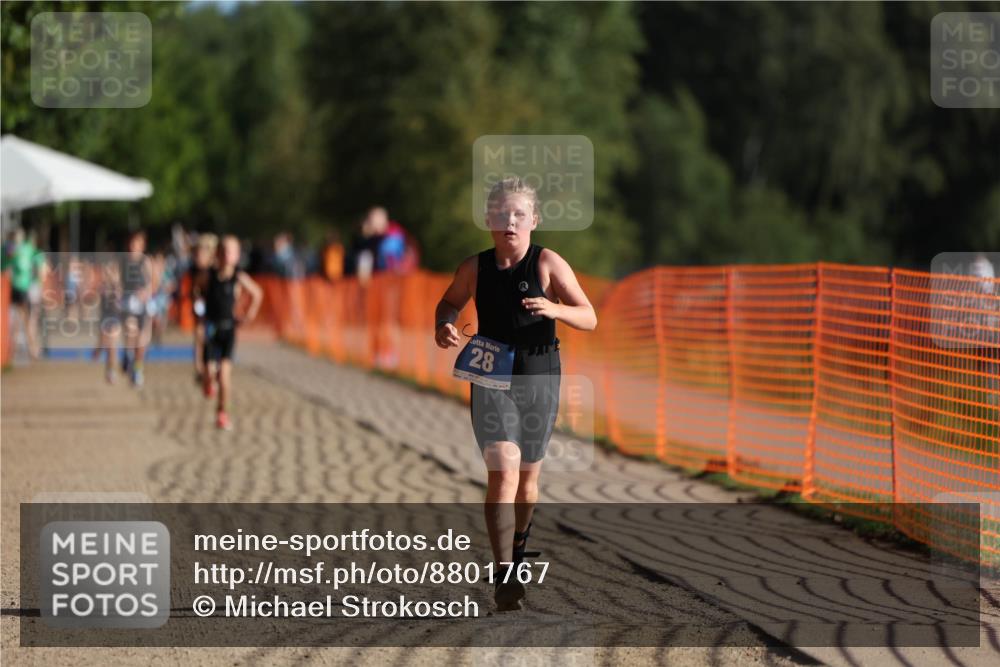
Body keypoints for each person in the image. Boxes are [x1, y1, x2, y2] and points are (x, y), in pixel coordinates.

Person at [433, 177, 597, 611]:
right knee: (503, 470)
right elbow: (448, 302)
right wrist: (444, 324)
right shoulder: (475, 268)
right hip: (492, 374)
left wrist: (555, 308)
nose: (510, 222)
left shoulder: (547, 264)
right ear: (489, 219)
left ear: (533, 220)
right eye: (502, 214)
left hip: (541, 373)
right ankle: (505, 573)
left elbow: (590, 316)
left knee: (528, 478)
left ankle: (519, 545)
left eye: (519, 214)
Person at [202, 235, 263, 431]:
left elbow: (257, 293)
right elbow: (197, 289)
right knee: (210, 372)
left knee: (225, 377)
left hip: (229, 330)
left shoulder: (238, 276)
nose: (228, 255)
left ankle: (222, 413)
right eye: (224, 251)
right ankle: (208, 382)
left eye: (232, 251)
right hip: (211, 329)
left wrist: (249, 313)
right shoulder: (208, 275)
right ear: (218, 254)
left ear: (237, 255)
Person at [2, 228, 47, 360]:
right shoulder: (15, 249)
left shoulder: (16, 248)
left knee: (19, 321)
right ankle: (31, 350)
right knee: (25, 321)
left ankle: (17, 350)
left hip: (18, 289)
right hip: (19, 290)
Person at [119, 230, 153, 387]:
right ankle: (127, 353)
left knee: (142, 339)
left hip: (143, 303)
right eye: (132, 242)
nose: (134, 246)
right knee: (130, 330)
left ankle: (138, 368)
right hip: (128, 302)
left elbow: (154, 282)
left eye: (137, 243)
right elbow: (118, 282)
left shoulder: (146, 262)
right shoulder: (123, 261)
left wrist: (146, 292)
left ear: (143, 245)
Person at [189, 233, 218, 385]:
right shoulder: (196, 270)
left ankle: (212, 369)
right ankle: (199, 369)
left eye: (199, 253)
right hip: (203, 308)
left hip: (217, 311)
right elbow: (195, 290)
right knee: (199, 334)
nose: (196, 257)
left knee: (212, 338)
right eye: (195, 253)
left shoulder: (217, 271)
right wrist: (196, 299)